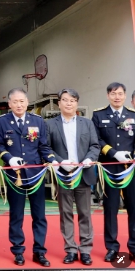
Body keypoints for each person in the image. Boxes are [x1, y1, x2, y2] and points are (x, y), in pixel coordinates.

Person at [0, 88, 58, 267]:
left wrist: (52, 160)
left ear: (27, 102)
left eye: (22, 101)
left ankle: (39, 251)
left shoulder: (37, 121)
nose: (19, 105)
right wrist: (9, 158)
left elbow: (43, 146)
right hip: (14, 175)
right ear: (9, 104)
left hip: (36, 174)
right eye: (15, 101)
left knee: (39, 215)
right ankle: (18, 251)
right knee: (16, 214)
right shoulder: (2, 121)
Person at [46, 89, 99, 266]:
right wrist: (60, 162)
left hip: (83, 173)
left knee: (85, 213)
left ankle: (85, 250)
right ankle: (70, 250)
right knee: (66, 213)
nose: (69, 103)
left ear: (77, 103)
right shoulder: (50, 124)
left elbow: (94, 146)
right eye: (65, 100)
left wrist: (89, 159)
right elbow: (46, 148)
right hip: (63, 175)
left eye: (72, 100)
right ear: (59, 103)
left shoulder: (87, 123)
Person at [93, 82, 135, 262]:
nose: (117, 97)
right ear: (107, 95)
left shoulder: (133, 115)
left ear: (125, 96)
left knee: (133, 208)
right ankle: (112, 247)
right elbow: (96, 139)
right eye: (113, 93)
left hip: (131, 168)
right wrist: (113, 153)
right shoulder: (98, 115)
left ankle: (133, 247)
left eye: (120, 94)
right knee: (110, 209)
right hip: (109, 167)